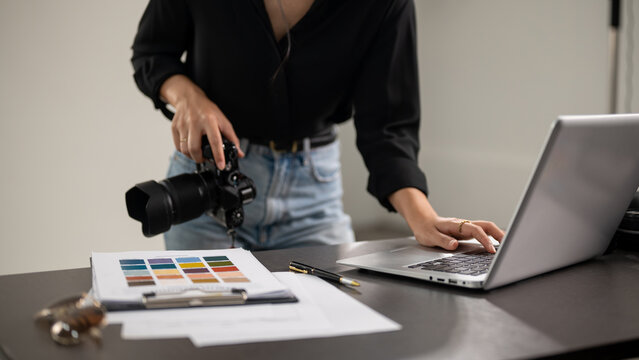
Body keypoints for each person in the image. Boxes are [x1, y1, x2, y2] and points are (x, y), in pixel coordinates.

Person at [131, 0, 505, 252]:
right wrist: (188, 97)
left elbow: (387, 127)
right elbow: (152, 52)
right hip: (206, 188)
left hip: (313, 197)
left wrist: (424, 218)